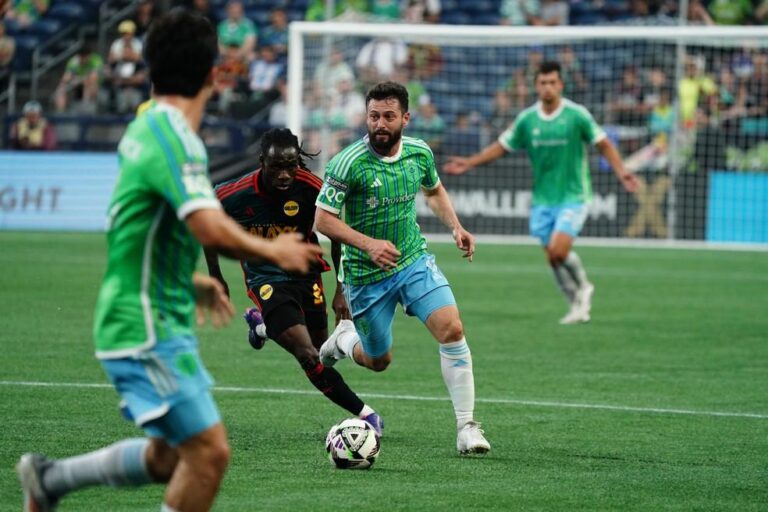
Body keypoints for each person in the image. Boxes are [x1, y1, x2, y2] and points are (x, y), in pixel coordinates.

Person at [16, 10, 322, 512]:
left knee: (167, 458)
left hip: (157, 314)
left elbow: (141, 223)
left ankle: (50, 480)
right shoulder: (174, 138)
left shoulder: (149, 127)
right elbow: (205, 224)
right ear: (213, 75)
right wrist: (272, 249)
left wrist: (187, 279)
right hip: (142, 324)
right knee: (208, 455)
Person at [314, 81, 491, 455]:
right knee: (378, 361)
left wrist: (456, 227)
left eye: (388, 116)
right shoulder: (347, 163)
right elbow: (323, 221)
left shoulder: (419, 153)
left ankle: (467, 427)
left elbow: (433, 190)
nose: (379, 123)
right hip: (365, 275)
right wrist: (369, 244)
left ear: (405, 119)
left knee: (452, 328)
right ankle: (344, 341)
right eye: (373, 116)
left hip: (412, 260)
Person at [205, 127, 383, 435]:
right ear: (262, 161)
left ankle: (262, 327)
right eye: (277, 166)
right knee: (308, 356)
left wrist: (341, 290)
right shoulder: (234, 195)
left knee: (325, 355)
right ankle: (366, 415)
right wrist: (216, 276)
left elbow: (336, 234)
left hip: (307, 274)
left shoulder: (312, 187)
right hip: (266, 278)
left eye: (291, 165)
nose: (285, 174)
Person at [444, 61, 640, 325]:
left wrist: (622, 171)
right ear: (536, 86)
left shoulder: (577, 114)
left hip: (574, 195)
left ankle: (584, 287)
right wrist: (470, 162)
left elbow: (603, 143)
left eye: (552, 82)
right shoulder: (527, 119)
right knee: (551, 257)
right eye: (542, 83)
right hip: (543, 199)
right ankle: (574, 303)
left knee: (559, 251)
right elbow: (502, 146)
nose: (547, 87)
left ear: (560, 85)